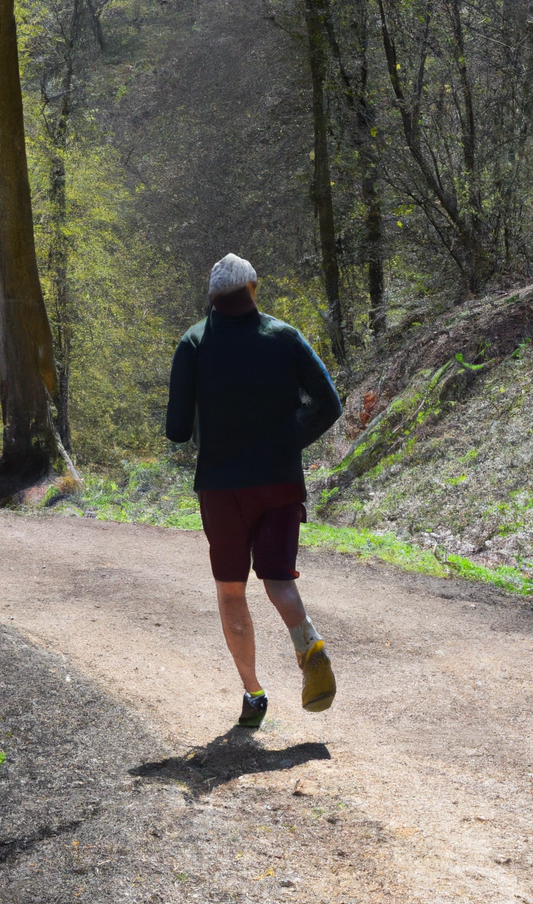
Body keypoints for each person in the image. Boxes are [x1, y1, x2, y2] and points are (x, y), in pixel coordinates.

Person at [166, 253, 343, 728]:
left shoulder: (194, 342)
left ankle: (254, 693)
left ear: (212, 298)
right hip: (280, 482)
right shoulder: (284, 336)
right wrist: (288, 441)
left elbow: (178, 430)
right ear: (254, 289)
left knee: (231, 592)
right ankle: (309, 644)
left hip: (223, 490)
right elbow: (330, 404)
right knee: (278, 581)